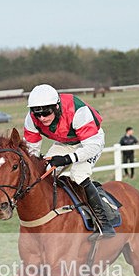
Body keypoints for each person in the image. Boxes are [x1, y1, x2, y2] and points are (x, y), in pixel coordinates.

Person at [23, 84, 116, 237]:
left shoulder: (78, 111)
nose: (42, 118)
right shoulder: (31, 119)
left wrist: (67, 159)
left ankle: (104, 223)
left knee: (78, 174)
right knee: (45, 173)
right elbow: (31, 150)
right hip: (64, 143)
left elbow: (91, 146)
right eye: (37, 113)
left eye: (46, 112)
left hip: (90, 141)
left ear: (57, 106)